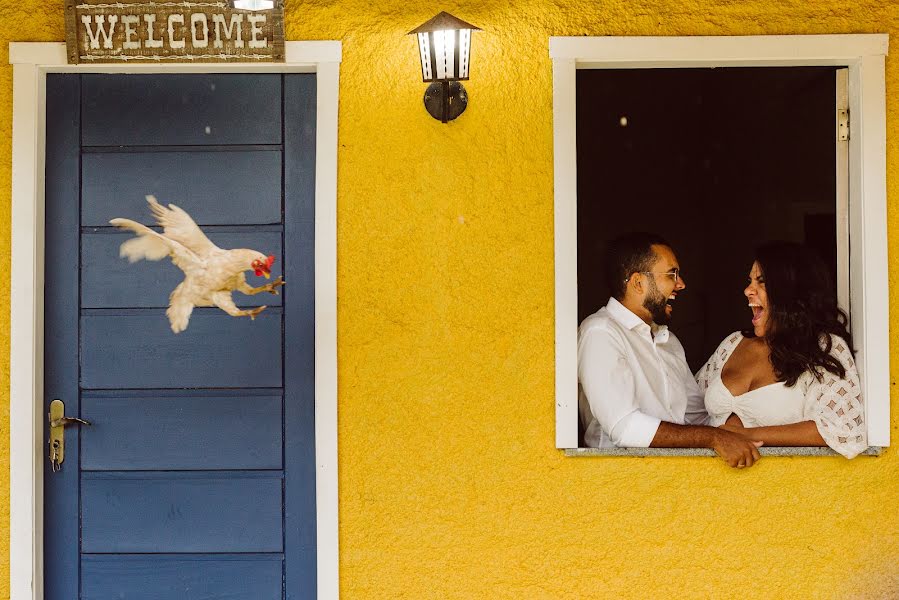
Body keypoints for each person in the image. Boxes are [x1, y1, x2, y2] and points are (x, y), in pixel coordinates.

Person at [578, 232, 764, 468]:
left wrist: (741, 422)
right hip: (619, 483)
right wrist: (714, 438)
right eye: (671, 274)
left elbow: (696, 417)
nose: (681, 284)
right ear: (638, 283)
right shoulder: (601, 333)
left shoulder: (669, 341)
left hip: (673, 483)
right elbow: (625, 428)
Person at [696, 242, 867, 459]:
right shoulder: (733, 343)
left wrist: (745, 435)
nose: (748, 290)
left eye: (762, 282)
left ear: (791, 291)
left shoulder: (824, 348)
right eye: (749, 281)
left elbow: (841, 430)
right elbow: (689, 408)